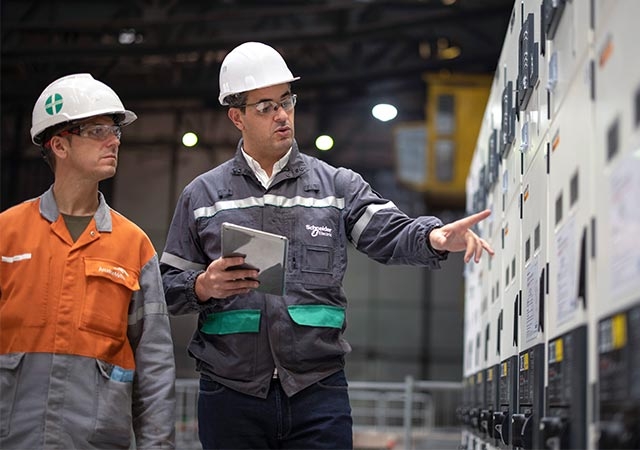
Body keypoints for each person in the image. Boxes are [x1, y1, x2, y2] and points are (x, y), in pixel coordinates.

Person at [160, 41, 494, 449]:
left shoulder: (336, 187)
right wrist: (202, 286)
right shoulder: (203, 196)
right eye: (265, 106)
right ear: (237, 116)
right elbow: (165, 287)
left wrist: (433, 236)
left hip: (317, 392)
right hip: (230, 393)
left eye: (286, 101)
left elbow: (389, 232)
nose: (282, 115)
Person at [0, 74, 177, 449]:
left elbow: (155, 368)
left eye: (114, 131)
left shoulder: (134, 245)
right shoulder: (7, 234)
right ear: (59, 145)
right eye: (97, 131)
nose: (114, 140)